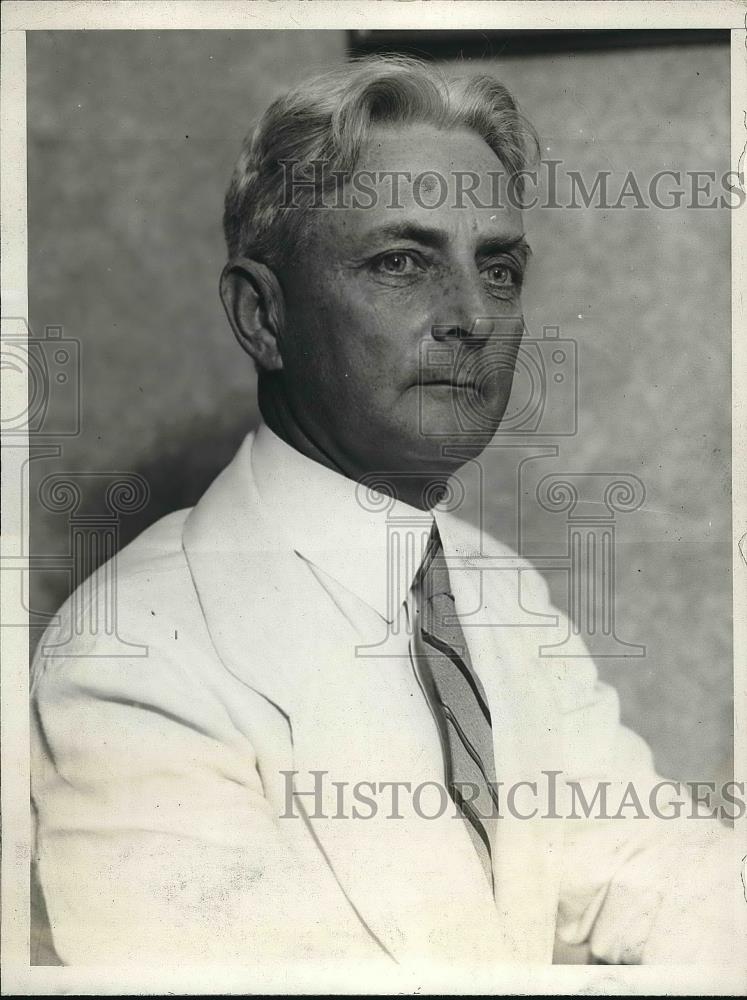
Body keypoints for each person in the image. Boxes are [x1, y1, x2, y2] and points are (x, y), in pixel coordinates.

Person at [31, 55, 736, 980]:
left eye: (499, 267)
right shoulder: (131, 659)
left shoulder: (491, 588)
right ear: (261, 317)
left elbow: (658, 875)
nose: (473, 317)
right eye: (401, 263)